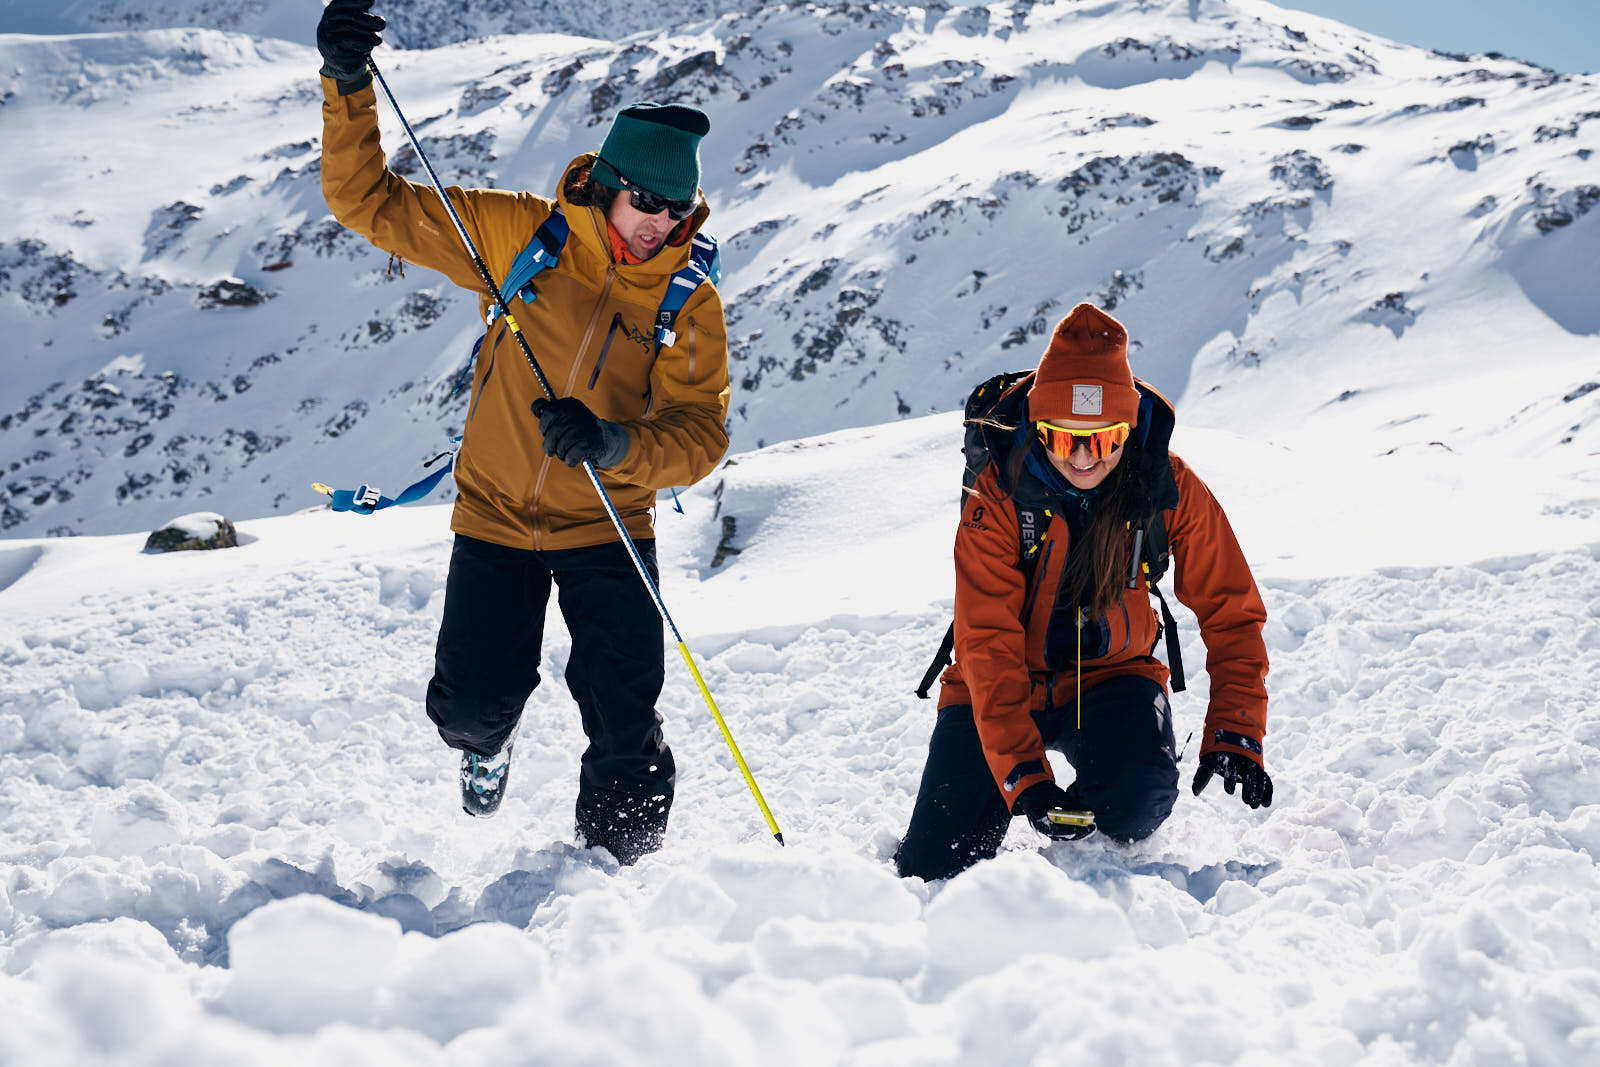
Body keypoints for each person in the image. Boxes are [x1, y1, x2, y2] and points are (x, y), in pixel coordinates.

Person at [316, 0, 731, 864]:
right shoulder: (518, 235)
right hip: (497, 513)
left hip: (609, 524)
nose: (659, 220)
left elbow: (698, 436)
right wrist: (349, 84)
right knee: (469, 705)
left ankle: (619, 877)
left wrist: (615, 445)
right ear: (608, 185)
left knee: (624, 719)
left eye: (676, 206)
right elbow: (368, 202)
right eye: (645, 200)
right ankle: (485, 747)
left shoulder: (685, 298)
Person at [896, 303, 1271, 881]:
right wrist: (1026, 779)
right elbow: (986, 640)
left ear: (1128, 429)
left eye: (1100, 441)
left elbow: (1231, 607)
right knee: (932, 868)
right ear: (1037, 428)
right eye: (1059, 437)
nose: (1079, 458)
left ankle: (1108, 784)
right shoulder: (996, 497)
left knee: (1134, 799)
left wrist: (1236, 727)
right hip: (995, 686)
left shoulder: (1170, 488)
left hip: (1111, 678)